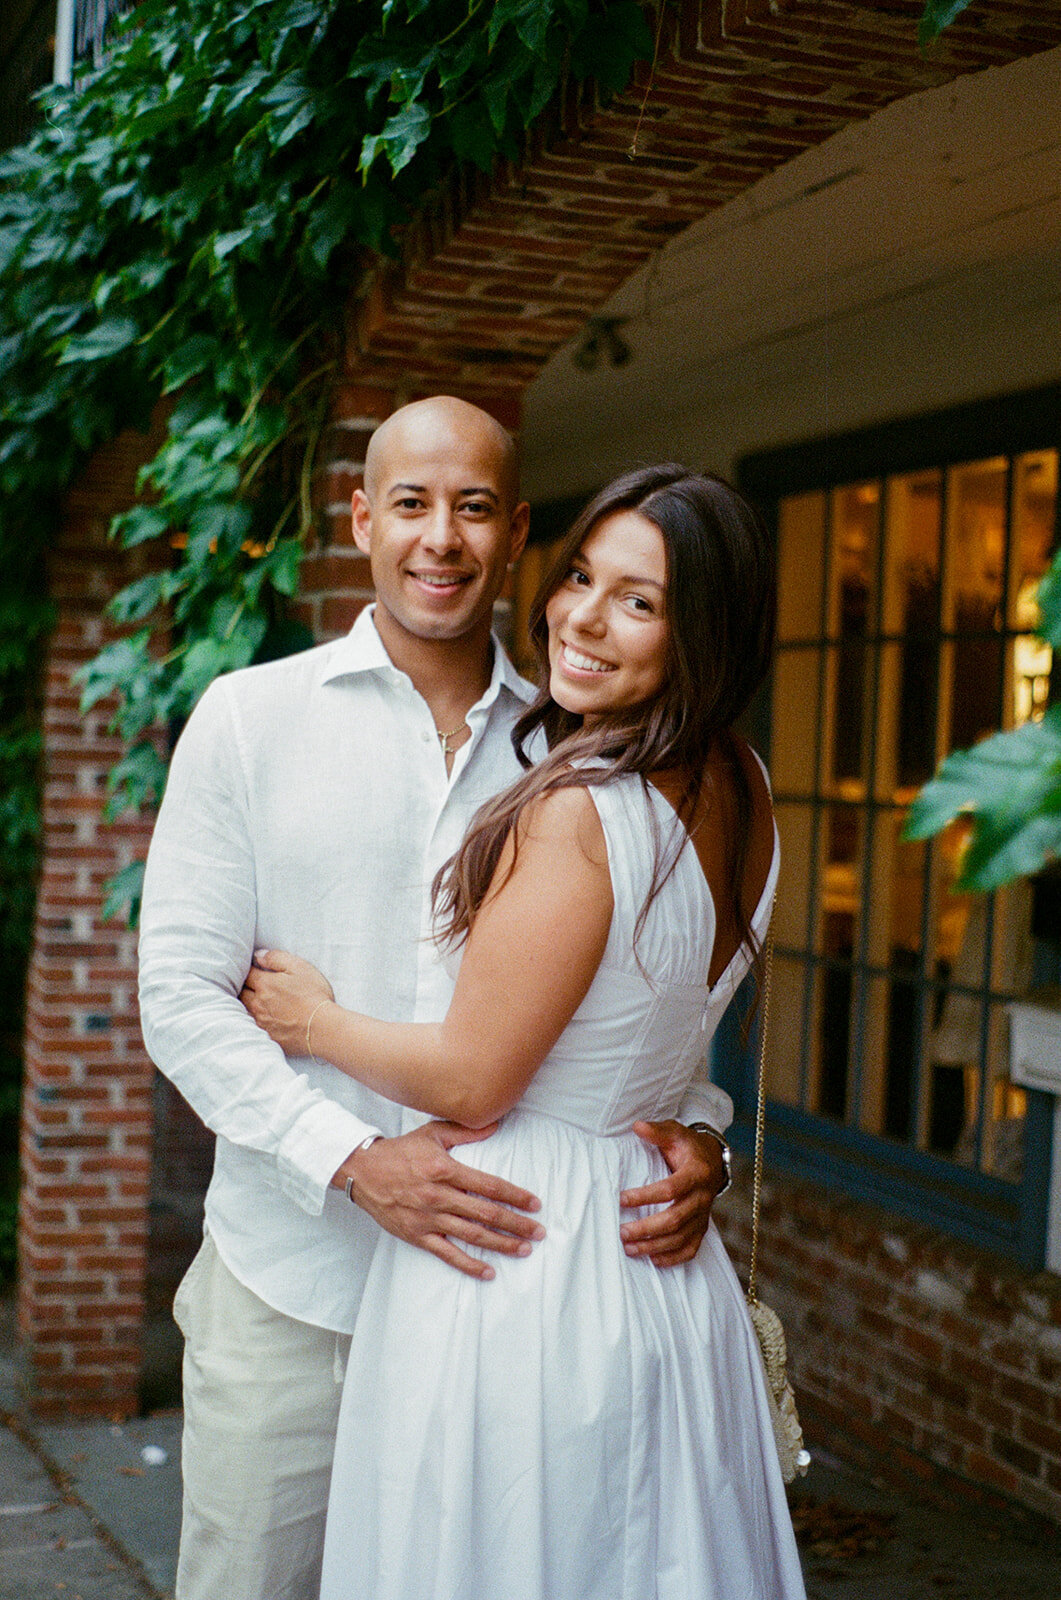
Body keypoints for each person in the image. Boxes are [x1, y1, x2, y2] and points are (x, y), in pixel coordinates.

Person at [138, 398, 732, 1600]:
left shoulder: (582, 747)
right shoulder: (252, 720)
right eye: (410, 502)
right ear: (361, 518)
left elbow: (636, 1006)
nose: (439, 539)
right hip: (293, 1287)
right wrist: (355, 1157)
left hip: (499, 1315)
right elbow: (181, 999)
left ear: (515, 533)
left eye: (471, 508)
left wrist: (701, 1134)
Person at [241, 463, 808, 1599]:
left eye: (637, 601)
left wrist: (315, 1020)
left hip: (521, 1255)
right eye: (580, 577)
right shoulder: (744, 788)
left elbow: (472, 1079)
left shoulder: (580, 806)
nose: (580, 617)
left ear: (702, 632)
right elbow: (655, 1032)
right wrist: (702, 1132)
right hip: (651, 1257)